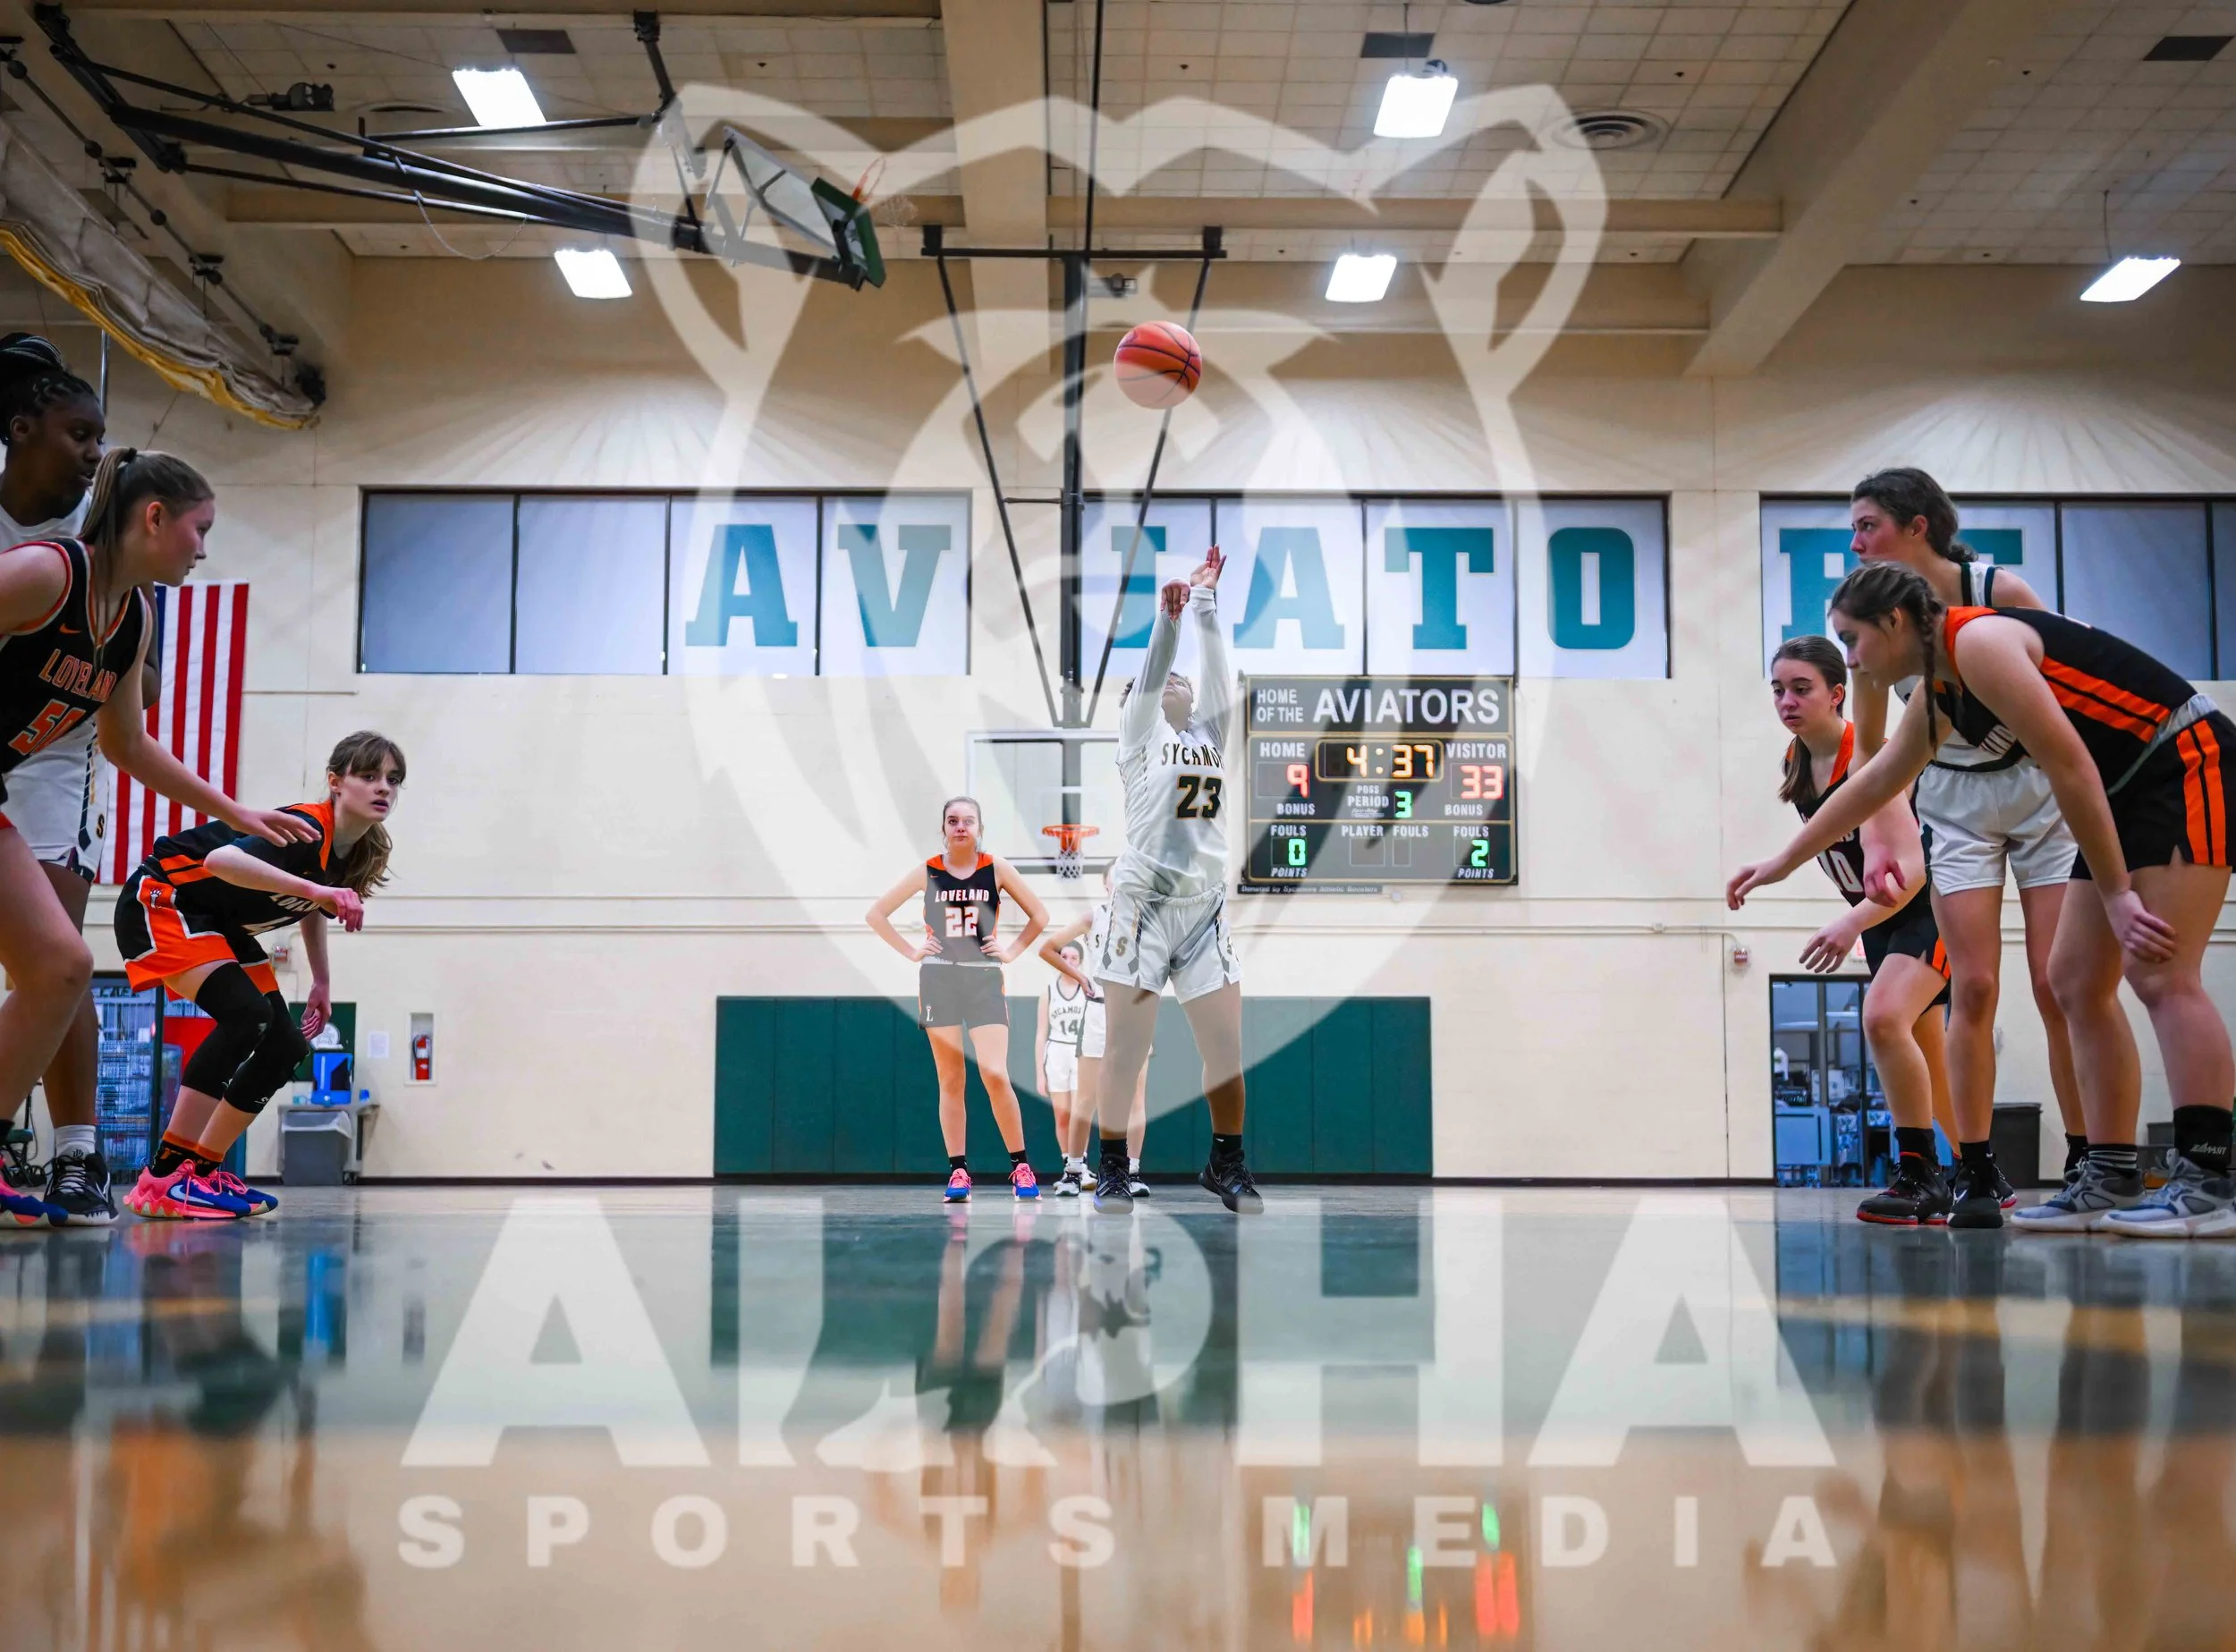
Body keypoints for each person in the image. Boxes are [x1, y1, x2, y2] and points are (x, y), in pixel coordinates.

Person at [1731, 561, 2236, 1238]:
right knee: (2072, 979)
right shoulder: (1943, 686)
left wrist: (2117, 892)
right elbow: (1876, 780)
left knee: (2161, 974)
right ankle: (2110, 1173)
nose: (1850, 659)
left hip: (2183, 758)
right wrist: (1780, 863)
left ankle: (2209, 1178)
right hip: (2125, 785)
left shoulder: (1979, 642)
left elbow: (2068, 764)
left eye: (1852, 640)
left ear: (1895, 622)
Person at [0, 448, 316, 1228]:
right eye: (198, 529)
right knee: (59, 965)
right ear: (152, 518)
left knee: (62, 967)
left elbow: (127, 745)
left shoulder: (131, 617)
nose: (202, 548)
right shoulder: (46, 572)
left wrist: (237, 812)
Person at [1846, 469, 2089, 1188]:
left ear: (1917, 526)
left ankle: (2089, 1157)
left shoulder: (1998, 591)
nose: (1856, 542)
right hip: (1955, 801)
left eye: (1867, 525)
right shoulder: (1871, 619)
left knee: (2057, 984)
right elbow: (1869, 749)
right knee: (1974, 987)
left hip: (2039, 789)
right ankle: (1977, 1168)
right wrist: (1878, 839)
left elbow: (2072, 691)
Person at [117, 731, 404, 1220]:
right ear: (335, 782)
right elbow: (221, 860)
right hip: (165, 899)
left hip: (221, 925)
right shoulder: (306, 827)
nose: (384, 787)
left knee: (286, 1047)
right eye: (369, 775)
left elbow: (311, 907)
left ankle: (202, 1171)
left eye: (393, 780)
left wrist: (321, 981)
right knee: (246, 1016)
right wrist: (317, 891)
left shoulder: (354, 852)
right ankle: (164, 1177)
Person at [1765, 636, 1971, 1224]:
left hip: (1925, 907)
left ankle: (1920, 1174)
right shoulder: (1795, 760)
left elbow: (1912, 870)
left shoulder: (1872, 755)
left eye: (1801, 688)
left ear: (1838, 694)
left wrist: (1850, 922)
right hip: (1881, 921)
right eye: (1778, 689)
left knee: (1880, 1018)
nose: (1786, 700)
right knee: (1928, 1061)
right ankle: (1981, 1172)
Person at [1092, 547, 1257, 1214]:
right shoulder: (1139, 734)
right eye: (1166, 680)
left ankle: (1227, 1161)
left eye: (1182, 681)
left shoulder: (1210, 733)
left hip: (1204, 908)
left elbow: (1218, 675)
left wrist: (1207, 602)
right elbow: (1156, 668)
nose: (1177, 681)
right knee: (1127, 1048)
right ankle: (1111, 1166)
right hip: (1142, 909)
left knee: (1225, 1046)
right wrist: (1168, 619)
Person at [0, 335, 120, 1224]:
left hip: (50, 746)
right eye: (80, 435)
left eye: (98, 439)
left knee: (56, 957)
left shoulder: (94, 539)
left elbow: (133, 706)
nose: (92, 453)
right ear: (19, 428)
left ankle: (78, 1154)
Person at [867, 796, 1052, 1202]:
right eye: (953, 821)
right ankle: (958, 1172)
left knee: (995, 1073)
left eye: (968, 820)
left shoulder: (996, 868)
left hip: (984, 979)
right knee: (951, 1079)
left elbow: (1040, 915)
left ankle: (1021, 1167)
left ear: (980, 828)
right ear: (944, 829)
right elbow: (876, 915)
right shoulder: (928, 870)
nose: (961, 827)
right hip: (939, 980)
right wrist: (912, 951)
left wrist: (1012, 952)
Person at [1037, 864, 1152, 1197]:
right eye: (1117, 876)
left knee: (1136, 1101)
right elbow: (1047, 948)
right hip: (1099, 1012)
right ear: (1106, 884)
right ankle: (1074, 1171)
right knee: (1086, 1099)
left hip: (1135, 1014)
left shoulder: (1151, 919)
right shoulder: (1093, 917)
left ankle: (1131, 1173)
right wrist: (1080, 977)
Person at [1036, 941, 1092, 1196]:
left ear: (1080, 961)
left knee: (1080, 1114)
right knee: (1062, 1115)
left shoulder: (1088, 988)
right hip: (1056, 1052)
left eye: (1074, 958)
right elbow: (1040, 1034)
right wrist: (1040, 1073)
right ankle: (1068, 1166)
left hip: (1081, 1053)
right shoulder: (1049, 991)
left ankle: (1082, 1166)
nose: (1068, 961)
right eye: (1064, 956)